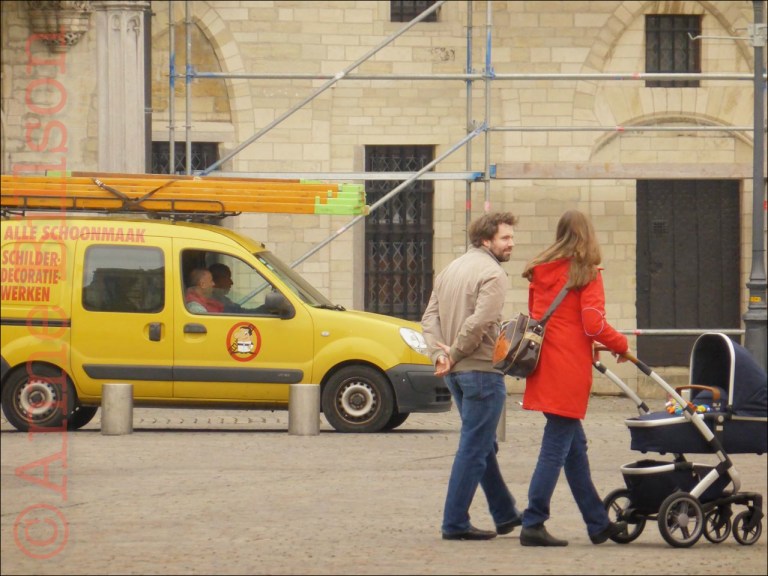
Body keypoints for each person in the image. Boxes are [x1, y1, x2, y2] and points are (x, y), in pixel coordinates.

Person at [518, 209, 630, 547]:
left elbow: (552, 321)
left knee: (574, 448)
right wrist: (620, 344)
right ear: (588, 235)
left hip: (545, 365)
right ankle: (533, 521)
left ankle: (597, 523)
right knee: (555, 448)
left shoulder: (541, 270)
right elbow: (592, 323)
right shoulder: (586, 273)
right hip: (567, 370)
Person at [421, 212, 523, 541]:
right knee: (474, 448)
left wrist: (441, 355)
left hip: (455, 373)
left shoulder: (452, 268)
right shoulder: (492, 273)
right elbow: (481, 322)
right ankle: (455, 522)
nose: (511, 243)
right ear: (486, 241)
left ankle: (504, 513)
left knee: (483, 445)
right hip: (479, 370)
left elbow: (429, 318)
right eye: (505, 238)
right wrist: (450, 354)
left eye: (511, 237)